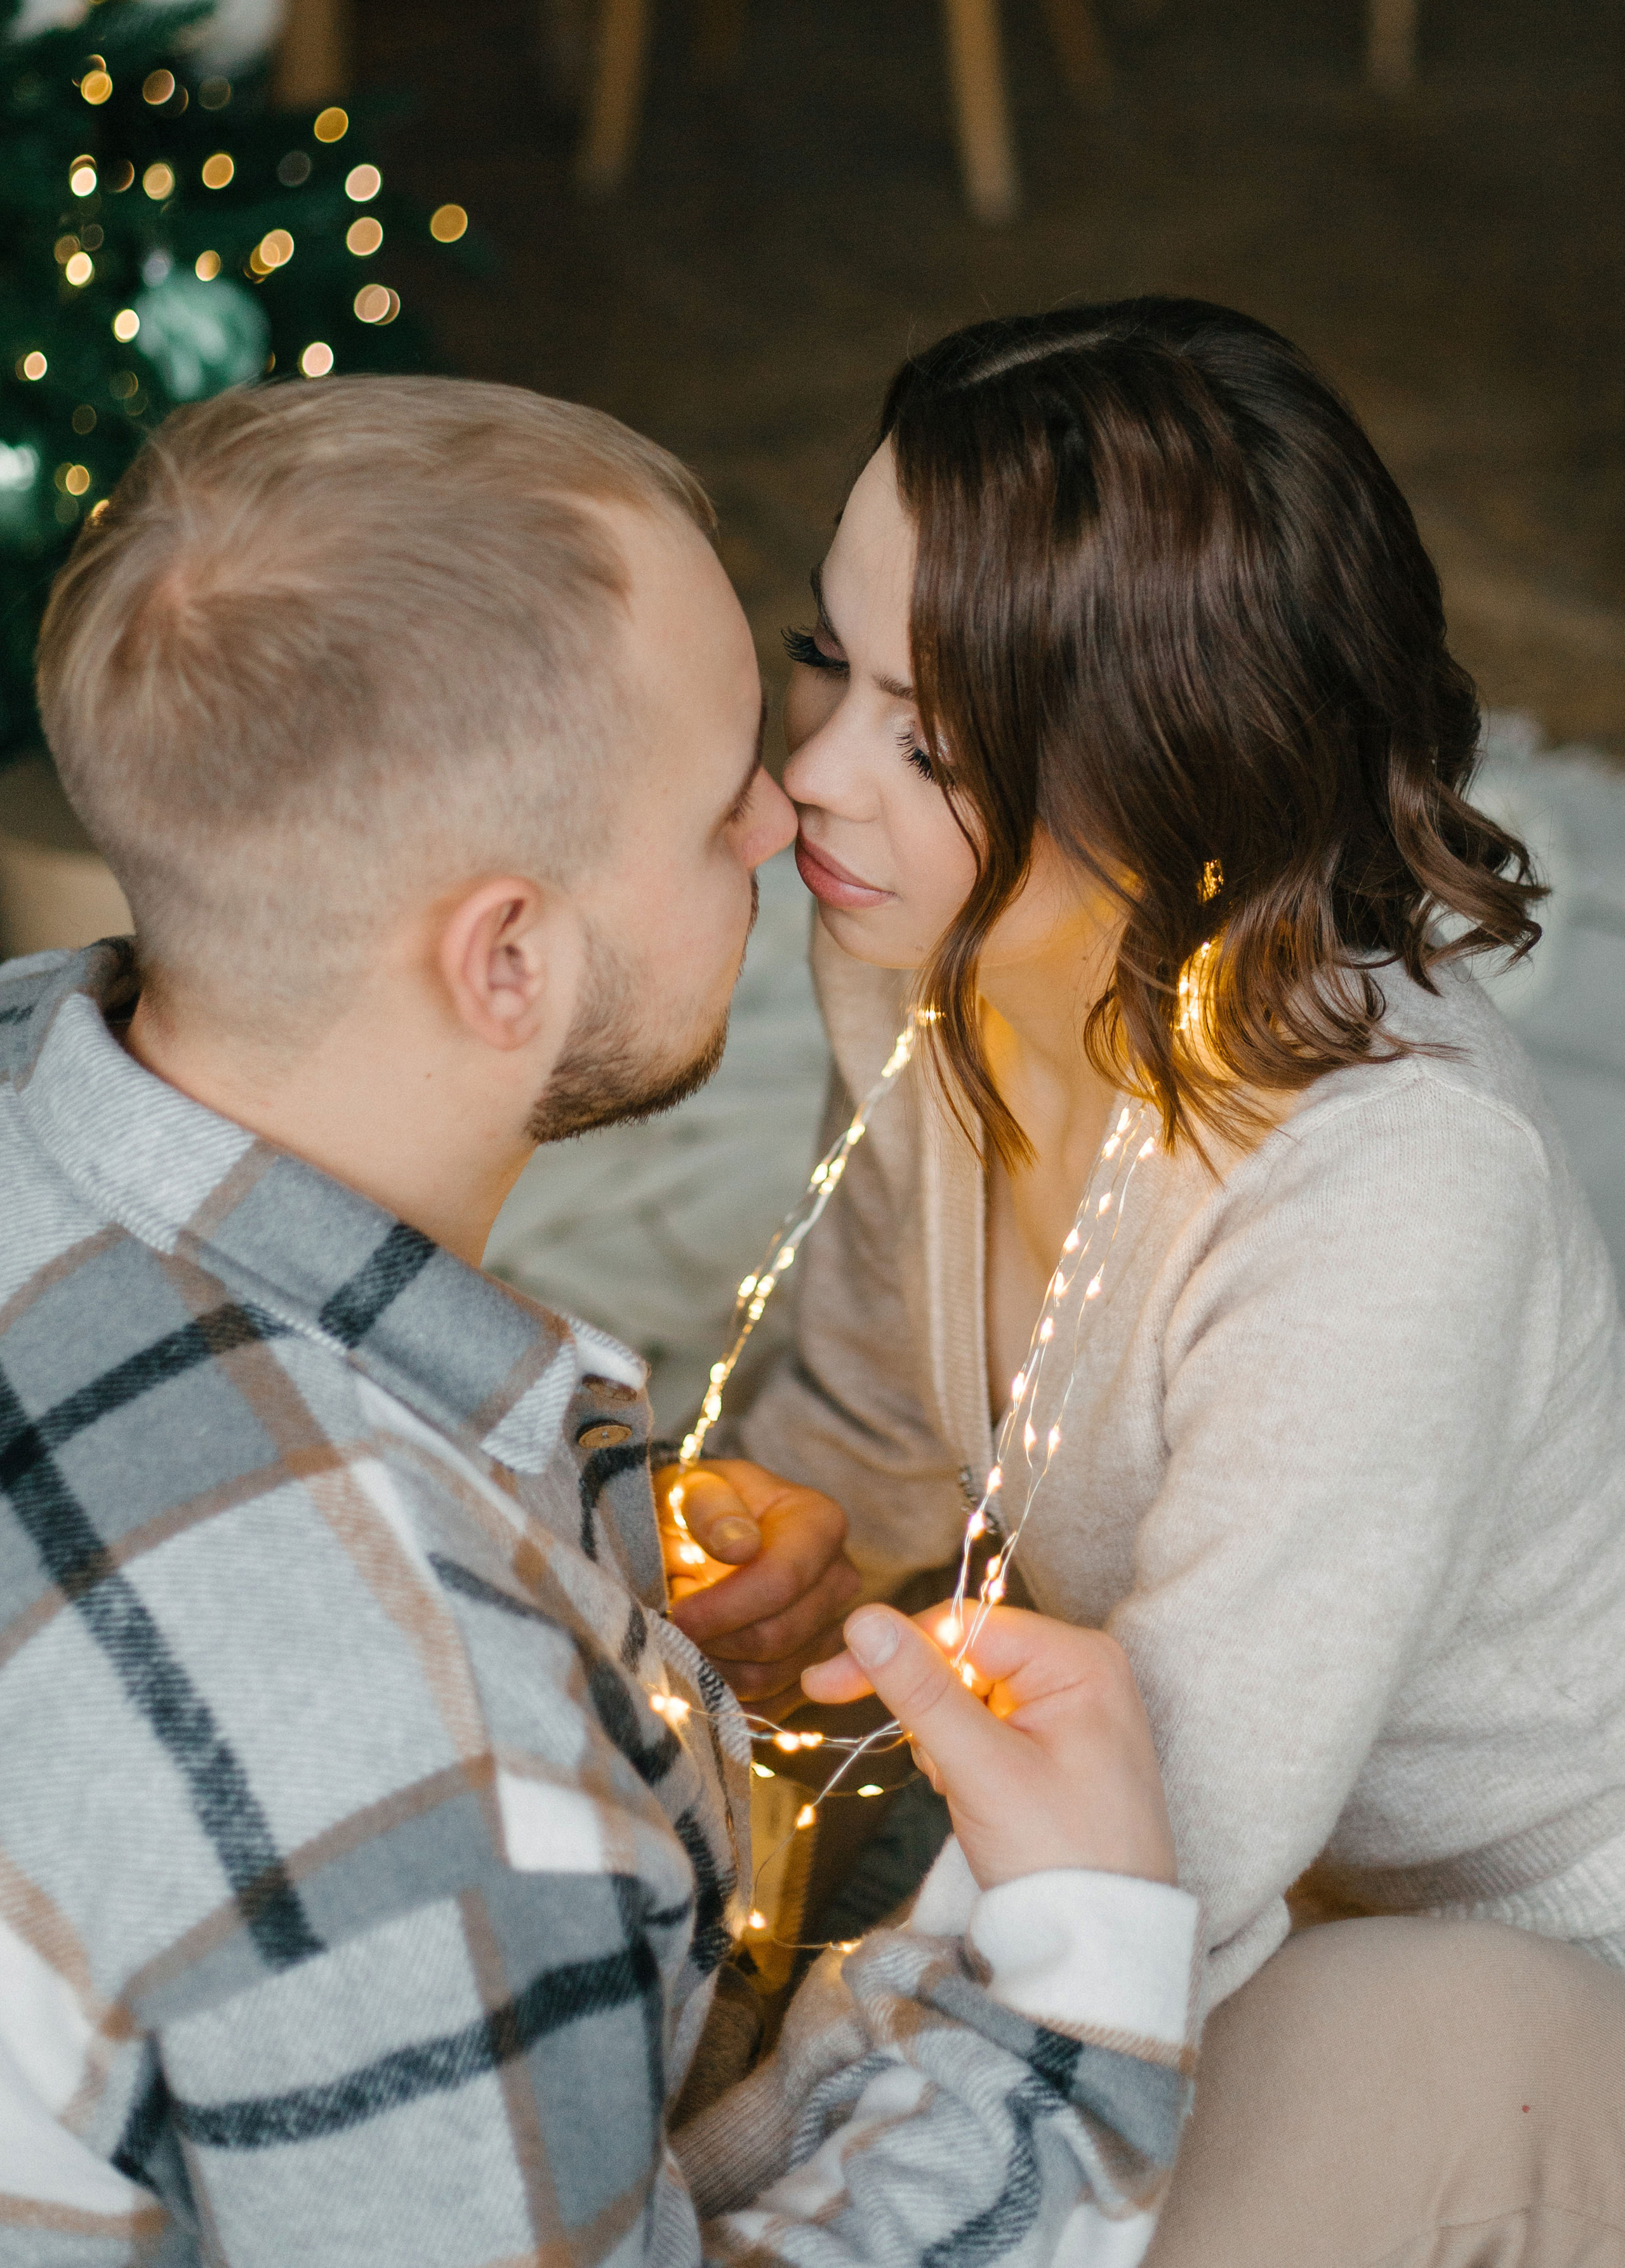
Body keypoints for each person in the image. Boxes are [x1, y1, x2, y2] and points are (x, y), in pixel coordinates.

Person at [0, 375, 1200, 2268]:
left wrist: (583, 1549)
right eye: (723, 779)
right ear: (508, 960)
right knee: (1482, 2055)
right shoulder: (421, 1778)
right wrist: (1085, 1954)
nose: (786, 803)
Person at [718, 299, 1625, 2260]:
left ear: (1170, 773)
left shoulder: (1390, 1198)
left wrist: (718, 2158)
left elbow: (1160, 1873)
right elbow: (877, 1387)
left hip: (1522, 1976)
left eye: (927, 738)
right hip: (1239, 1878)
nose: (814, 777)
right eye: (826, 664)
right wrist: (763, 1571)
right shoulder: (913, 951)